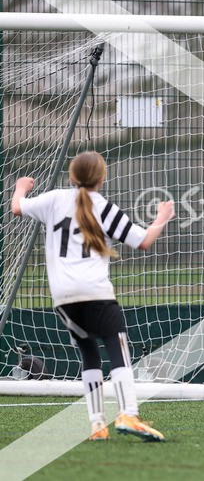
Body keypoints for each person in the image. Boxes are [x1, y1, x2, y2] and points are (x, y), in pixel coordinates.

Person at [11, 151, 174, 442]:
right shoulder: (105, 208)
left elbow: (17, 208)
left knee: (89, 354)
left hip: (63, 298)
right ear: (102, 177)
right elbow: (144, 242)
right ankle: (129, 413)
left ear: (72, 176)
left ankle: (97, 425)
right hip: (96, 292)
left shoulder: (53, 199)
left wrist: (21, 186)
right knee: (118, 349)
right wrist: (162, 217)